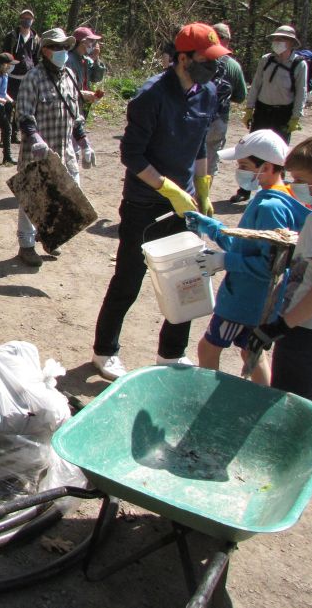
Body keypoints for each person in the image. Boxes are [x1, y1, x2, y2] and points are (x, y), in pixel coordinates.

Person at [91, 23, 225, 380]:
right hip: (145, 204)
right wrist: (169, 190)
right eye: (206, 60)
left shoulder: (207, 92)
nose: (213, 67)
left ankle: (172, 352)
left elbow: (200, 145)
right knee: (129, 278)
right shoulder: (150, 96)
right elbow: (131, 155)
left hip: (186, 204)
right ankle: (104, 351)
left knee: (188, 278)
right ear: (183, 59)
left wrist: (202, 189)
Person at [185, 130, 310, 385]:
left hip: (244, 301)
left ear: (267, 167)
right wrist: (213, 228)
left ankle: (207, 397)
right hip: (258, 302)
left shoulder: (270, 207)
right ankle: (262, 398)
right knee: (251, 354)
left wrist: (224, 261)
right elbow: (247, 246)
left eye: (244, 166)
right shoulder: (278, 197)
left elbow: (270, 265)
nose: (239, 171)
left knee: (208, 349)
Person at [15, 27, 94, 268]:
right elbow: (24, 116)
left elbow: (76, 115)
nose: (62, 51)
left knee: (69, 195)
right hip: (38, 152)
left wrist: (84, 143)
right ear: (45, 51)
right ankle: (26, 245)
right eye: (56, 47)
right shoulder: (33, 78)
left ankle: (50, 235)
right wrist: (35, 139)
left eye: (64, 47)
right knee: (32, 199)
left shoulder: (70, 75)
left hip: (65, 150)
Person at [248, 136, 312, 400]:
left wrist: (280, 327)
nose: (293, 186)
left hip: (304, 329)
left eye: (300, 180)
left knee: (289, 403)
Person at [238, 25, 309, 202]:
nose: (277, 42)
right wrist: (249, 108)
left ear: (291, 43)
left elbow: (301, 92)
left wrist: (296, 117)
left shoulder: (299, 64)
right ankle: (244, 190)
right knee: (252, 150)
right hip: (262, 110)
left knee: (278, 155)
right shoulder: (266, 60)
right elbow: (256, 85)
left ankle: (275, 193)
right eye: (276, 39)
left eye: (281, 39)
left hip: (283, 114)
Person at [205, 23, 247, 184]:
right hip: (219, 119)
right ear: (227, 41)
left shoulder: (198, 60)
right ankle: (203, 195)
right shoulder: (233, 66)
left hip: (194, 116)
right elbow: (241, 96)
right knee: (210, 163)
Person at [1, 9, 41, 144]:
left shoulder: (36, 38)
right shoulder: (11, 36)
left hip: (27, 78)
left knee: (21, 107)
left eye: (29, 18)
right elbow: (4, 55)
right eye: (24, 18)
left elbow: (36, 58)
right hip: (11, 76)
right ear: (20, 19)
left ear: (33, 21)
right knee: (7, 107)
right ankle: (5, 135)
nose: (26, 21)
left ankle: (15, 133)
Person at [66, 26, 107, 117]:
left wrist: (96, 58)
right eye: (91, 41)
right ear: (83, 42)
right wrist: (82, 94)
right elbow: (65, 87)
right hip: (71, 104)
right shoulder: (68, 60)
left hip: (83, 104)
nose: (93, 44)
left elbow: (97, 78)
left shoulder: (86, 60)